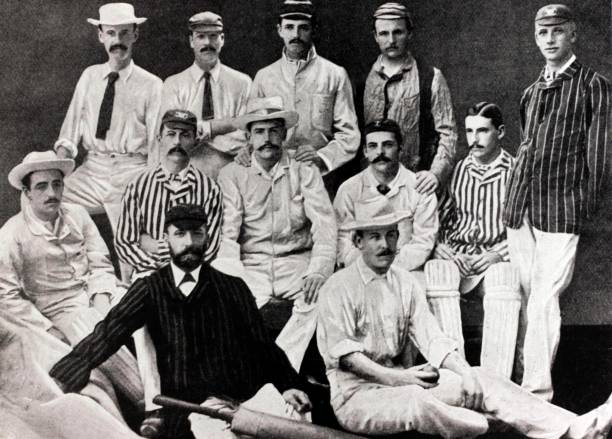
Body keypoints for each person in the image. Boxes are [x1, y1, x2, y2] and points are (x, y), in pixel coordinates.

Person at [316, 209, 612, 438]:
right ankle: (485, 426)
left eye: (391, 235)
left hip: (403, 384)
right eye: (374, 237)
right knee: (418, 402)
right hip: (358, 398)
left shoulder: (404, 282)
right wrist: (400, 379)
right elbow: (349, 359)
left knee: (483, 379)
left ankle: (576, 429)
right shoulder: (338, 287)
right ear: (358, 241)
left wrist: (466, 373)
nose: (385, 245)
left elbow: (432, 339)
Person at [50, 204, 312, 439]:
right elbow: (107, 334)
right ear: (167, 238)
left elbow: (263, 345)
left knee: (298, 420)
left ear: (207, 236)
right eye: (180, 234)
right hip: (191, 410)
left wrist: (287, 385)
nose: (189, 242)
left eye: (197, 233)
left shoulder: (233, 287)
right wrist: (62, 377)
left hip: (250, 399)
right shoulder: (149, 289)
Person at [503, 4, 611, 400]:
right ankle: (519, 378)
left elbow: (599, 158)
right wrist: (514, 199)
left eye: (557, 32)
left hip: (562, 209)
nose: (549, 40)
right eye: (542, 33)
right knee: (533, 299)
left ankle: (535, 393)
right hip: (519, 208)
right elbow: (526, 147)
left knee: (545, 297)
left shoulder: (592, 85)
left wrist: (580, 204)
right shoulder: (531, 92)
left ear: (573, 35)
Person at [0, 150, 142, 406]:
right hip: (58, 312)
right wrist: (47, 328)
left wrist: (101, 298)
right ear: (27, 192)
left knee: (144, 308)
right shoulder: (12, 234)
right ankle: (147, 403)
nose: (51, 193)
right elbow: (7, 295)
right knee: (94, 329)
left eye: (57, 184)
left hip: (96, 293)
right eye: (41, 187)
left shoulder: (77, 214)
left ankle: (172, 385)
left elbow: (100, 261)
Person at [114, 109, 222, 434]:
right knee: (142, 322)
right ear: (159, 138)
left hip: (192, 272)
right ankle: (154, 407)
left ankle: (203, 403)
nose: (177, 142)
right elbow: (125, 241)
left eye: (185, 134)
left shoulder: (208, 188)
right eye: (171, 134)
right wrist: (153, 260)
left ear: (194, 140)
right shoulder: (138, 185)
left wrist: (176, 263)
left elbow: (211, 245)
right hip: (147, 274)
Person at [215, 96, 336, 372]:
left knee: (324, 298)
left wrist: (318, 270)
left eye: (273, 130)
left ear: (284, 133)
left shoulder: (304, 170)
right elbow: (228, 233)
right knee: (227, 307)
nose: (267, 138)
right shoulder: (231, 174)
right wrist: (233, 278)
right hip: (252, 263)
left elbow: (325, 226)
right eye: (259, 131)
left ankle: (284, 374)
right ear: (248, 136)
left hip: (296, 261)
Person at [425, 102, 519, 378]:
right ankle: (456, 378)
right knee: (437, 271)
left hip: (494, 257)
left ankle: (495, 383)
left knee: (505, 277)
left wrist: (497, 254)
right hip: (459, 256)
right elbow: (440, 216)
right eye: (469, 131)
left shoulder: (516, 171)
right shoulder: (456, 170)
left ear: (500, 132)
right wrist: (441, 247)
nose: (474, 139)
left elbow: (526, 228)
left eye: (483, 131)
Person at [54, 3, 162, 231]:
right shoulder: (89, 76)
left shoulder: (152, 84)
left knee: (134, 236)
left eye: (124, 33)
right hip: (92, 170)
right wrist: (55, 172)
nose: (117, 40)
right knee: (45, 202)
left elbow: (156, 145)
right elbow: (69, 135)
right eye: (111, 33)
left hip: (133, 170)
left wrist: (153, 186)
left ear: (135, 34)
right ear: (101, 35)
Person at [245, 0, 360, 193]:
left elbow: (349, 134)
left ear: (313, 30)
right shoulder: (264, 77)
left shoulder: (334, 74)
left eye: (303, 28)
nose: (296, 35)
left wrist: (322, 156)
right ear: (279, 30)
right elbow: (250, 130)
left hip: (322, 177)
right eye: (289, 27)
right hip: (273, 175)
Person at [364, 2, 458, 195]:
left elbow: (448, 134)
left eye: (398, 32)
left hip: (415, 186)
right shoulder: (361, 81)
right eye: (383, 33)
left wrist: (435, 174)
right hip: (370, 187)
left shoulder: (430, 77)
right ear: (375, 36)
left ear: (409, 33)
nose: (391, 40)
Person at [334, 118, 438, 277]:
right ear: (365, 152)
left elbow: (423, 243)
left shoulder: (419, 188)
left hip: (407, 271)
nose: (380, 153)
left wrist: (389, 267)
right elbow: (343, 242)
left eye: (388, 145)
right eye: (373, 146)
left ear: (400, 149)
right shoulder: (349, 189)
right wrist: (368, 266)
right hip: (360, 271)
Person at [160, 11, 252, 180]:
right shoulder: (173, 84)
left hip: (232, 171)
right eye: (201, 36)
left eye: (213, 36)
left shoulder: (242, 83)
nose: (207, 43)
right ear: (191, 41)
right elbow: (173, 137)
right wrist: (226, 127)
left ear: (222, 39)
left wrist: (202, 132)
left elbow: (245, 135)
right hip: (185, 173)